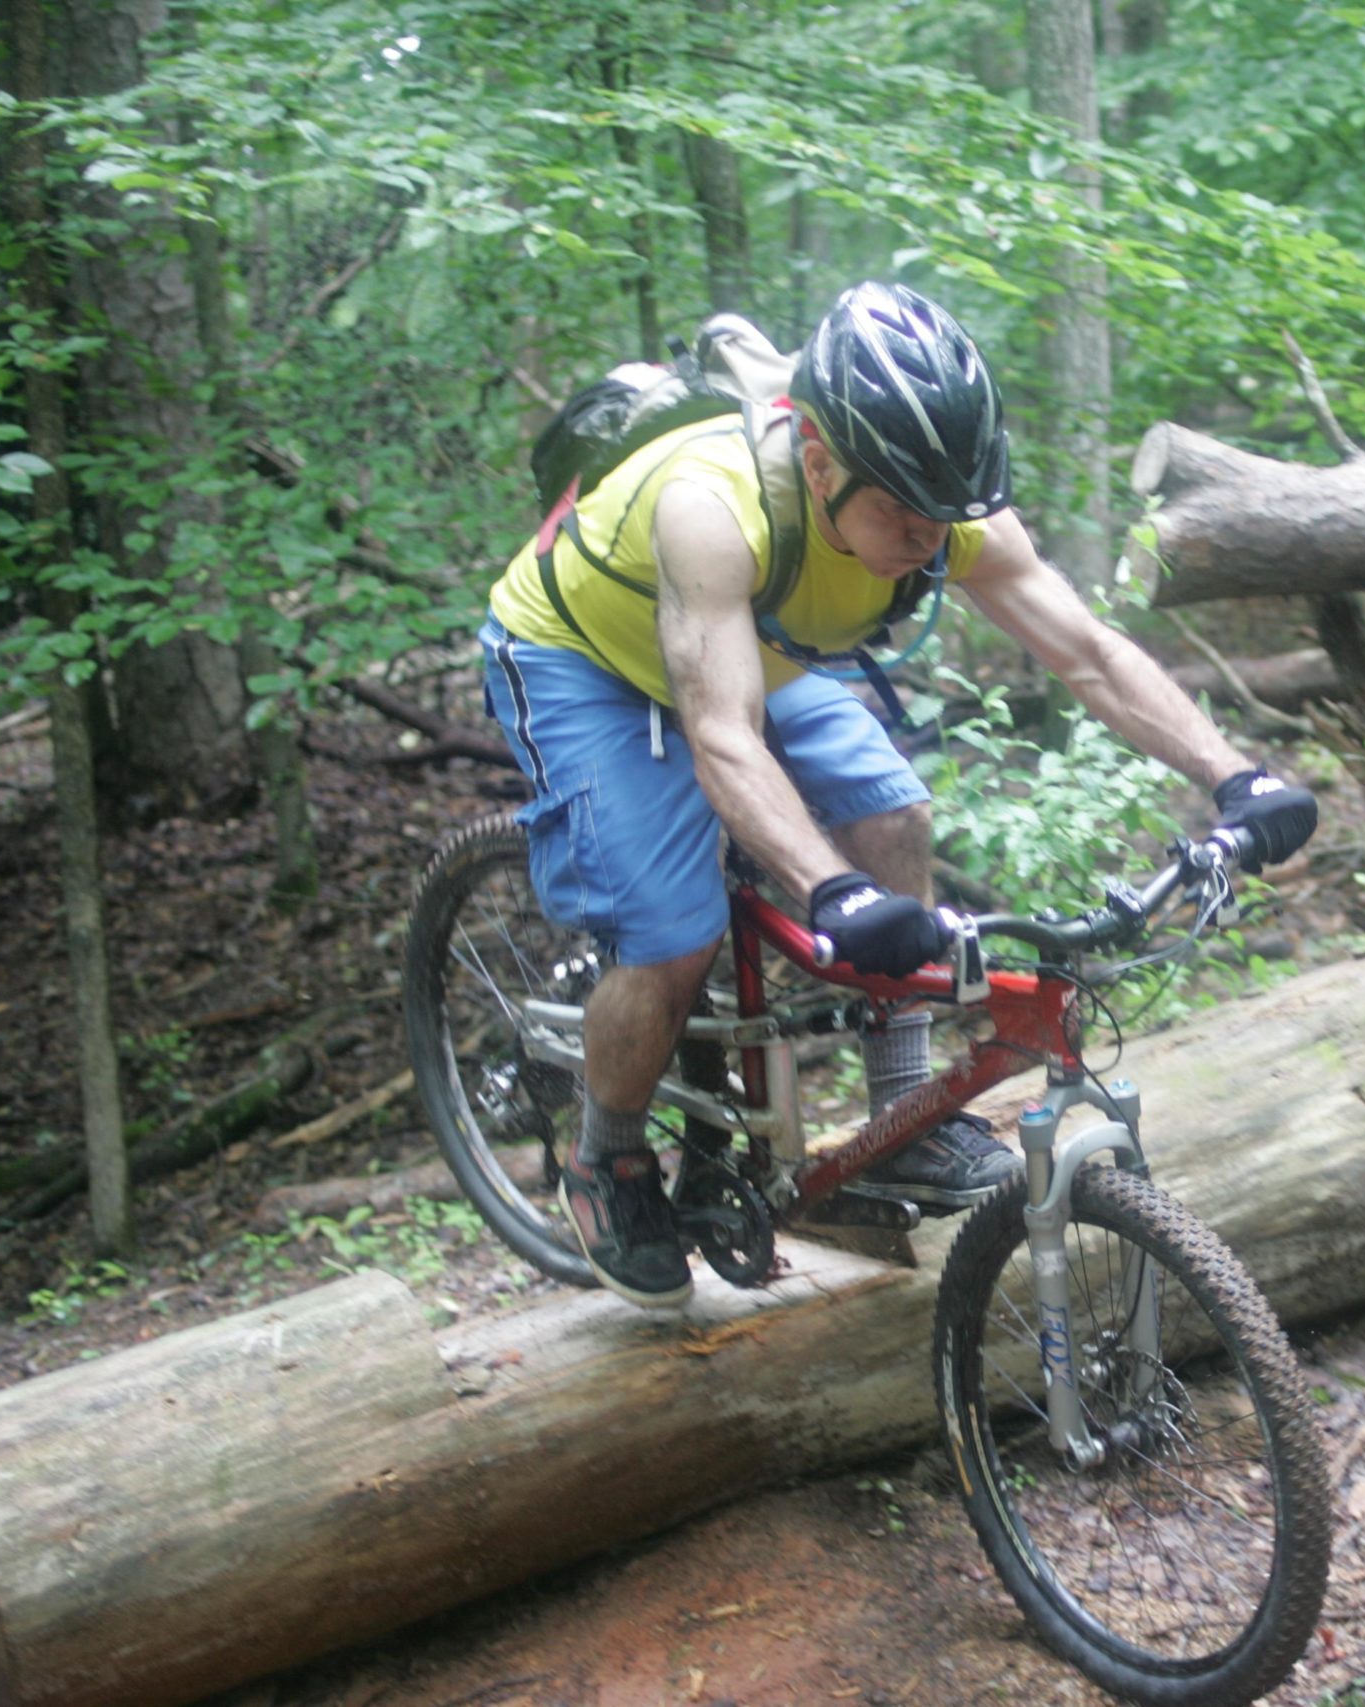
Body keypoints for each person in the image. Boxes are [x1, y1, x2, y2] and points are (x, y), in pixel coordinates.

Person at [477, 281, 1318, 1308]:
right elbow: (722, 737)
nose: (931, 538)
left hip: (749, 643)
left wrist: (1238, 775)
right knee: (671, 934)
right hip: (581, 656)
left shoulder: (937, 502)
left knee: (894, 814)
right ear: (819, 457)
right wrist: (831, 892)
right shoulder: (715, 508)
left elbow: (1088, 654)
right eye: (902, 513)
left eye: (948, 513)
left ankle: (898, 1121)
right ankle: (603, 1158)